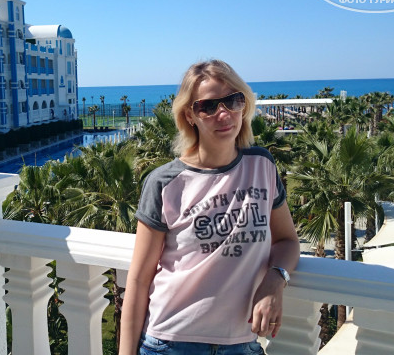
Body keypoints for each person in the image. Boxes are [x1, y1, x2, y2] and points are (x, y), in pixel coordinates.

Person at [120, 60, 300, 355]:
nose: (224, 113)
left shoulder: (262, 166)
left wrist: (274, 281)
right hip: (170, 343)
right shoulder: (165, 182)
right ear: (190, 115)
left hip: (242, 344)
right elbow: (139, 280)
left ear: (244, 104)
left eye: (233, 100)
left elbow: (287, 241)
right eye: (208, 106)